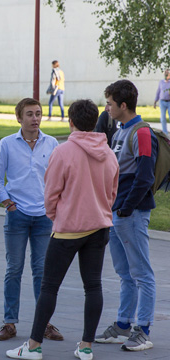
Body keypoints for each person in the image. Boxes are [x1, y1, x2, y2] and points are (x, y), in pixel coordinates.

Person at [6, 99, 119, 360]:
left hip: (68, 229)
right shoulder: (109, 153)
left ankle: (33, 346)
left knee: (49, 287)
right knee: (93, 286)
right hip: (99, 227)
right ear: (95, 122)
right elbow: (112, 193)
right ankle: (86, 346)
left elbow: (51, 194)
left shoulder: (63, 151)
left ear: (71, 122)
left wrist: (59, 217)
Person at [0, 98, 63, 342]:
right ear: (19, 118)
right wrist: (7, 203)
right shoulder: (7, 144)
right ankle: (9, 322)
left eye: (38, 113)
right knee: (14, 268)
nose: (35, 118)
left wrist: (54, 206)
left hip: (44, 217)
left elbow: (59, 178)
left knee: (42, 272)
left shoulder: (52, 143)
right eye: (30, 114)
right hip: (17, 215)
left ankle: (44, 324)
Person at [95, 80, 158, 352]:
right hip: (117, 213)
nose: (106, 108)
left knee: (141, 273)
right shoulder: (120, 130)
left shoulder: (142, 133)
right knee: (124, 273)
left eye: (109, 103)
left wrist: (125, 208)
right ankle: (122, 325)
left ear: (123, 105)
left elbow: (145, 177)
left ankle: (142, 329)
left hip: (129, 213)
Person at [154, 69, 170, 134]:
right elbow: (158, 91)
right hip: (162, 101)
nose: (166, 75)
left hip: (169, 102)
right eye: (165, 73)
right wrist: (155, 101)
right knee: (163, 117)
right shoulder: (161, 82)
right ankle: (165, 131)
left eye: (167, 73)